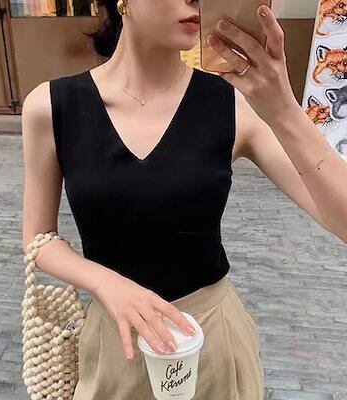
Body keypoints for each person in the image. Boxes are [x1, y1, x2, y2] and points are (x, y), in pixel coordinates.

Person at [21, 0, 347, 399]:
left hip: (211, 337)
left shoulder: (231, 103)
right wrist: (106, 282)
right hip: (114, 339)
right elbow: (38, 238)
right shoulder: (52, 106)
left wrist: (282, 109)